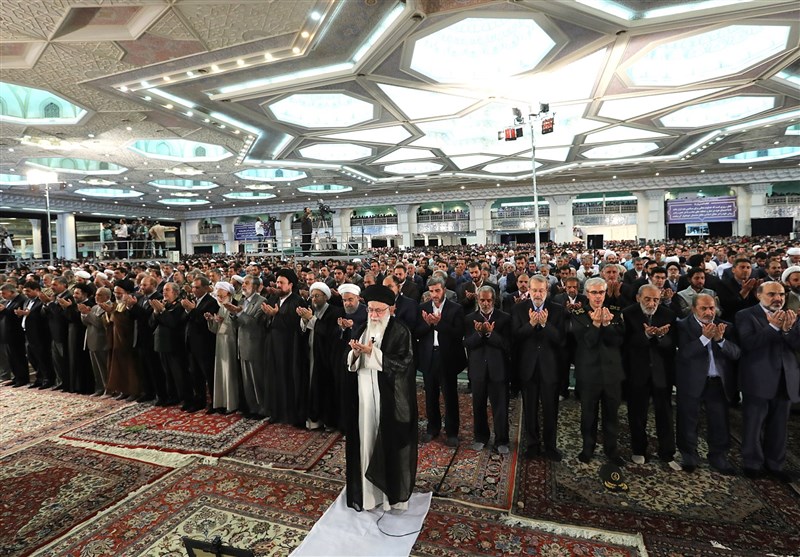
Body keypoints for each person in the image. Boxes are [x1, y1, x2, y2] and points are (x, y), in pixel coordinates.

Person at [344, 284, 417, 512]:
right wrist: (355, 353)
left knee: (387, 443)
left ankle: (390, 498)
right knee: (366, 441)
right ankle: (368, 495)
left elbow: (404, 364)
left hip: (389, 398)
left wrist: (373, 354)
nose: (374, 315)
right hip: (365, 395)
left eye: (379, 311)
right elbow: (351, 363)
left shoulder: (400, 331)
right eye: (371, 310)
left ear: (390, 309)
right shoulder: (363, 328)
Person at [735, 281, 800, 482]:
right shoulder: (745, 315)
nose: (778, 298)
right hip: (758, 378)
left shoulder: (792, 315)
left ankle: (775, 464)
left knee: (780, 425)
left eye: (781, 294)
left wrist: (788, 330)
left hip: (786, 377)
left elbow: (797, 345)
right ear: (759, 295)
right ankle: (752, 463)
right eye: (772, 294)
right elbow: (748, 344)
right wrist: (773, 327)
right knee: (754, 424)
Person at [675, 294, 741, 474]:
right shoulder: (682, 325)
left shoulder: (726, 326)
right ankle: (689, 455)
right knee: (688, 420)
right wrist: (704, 339)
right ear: (694, 308)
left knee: (719, 422)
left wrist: (720, 340)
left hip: (717, 382)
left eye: (711, 308)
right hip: (691, 381)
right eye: (704, 308)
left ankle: (719, 457)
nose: (709, 312)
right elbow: (684, 354)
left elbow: (736, 354)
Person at [622, 284, 679, 468]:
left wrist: (661, 338)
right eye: (647, 299)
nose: (652, 303)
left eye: (656, 299)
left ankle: (667, 453)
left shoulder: (668, 314)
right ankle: (638, 449)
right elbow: (624, 344)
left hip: (661, 372)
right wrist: (645, 336)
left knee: (665, 413)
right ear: (638, 297)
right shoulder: (628, 313)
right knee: (637, 413)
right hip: (637, 371)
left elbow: (673, 344)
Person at [572, 277, 626, 466]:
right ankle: (587, 448)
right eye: (594, 293)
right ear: (587, 294)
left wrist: (608, 325)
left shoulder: (616, 313)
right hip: (589, 373)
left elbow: (618, 341)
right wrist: (595, 325)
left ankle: (611, 450)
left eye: (601, 292)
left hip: (612, 373)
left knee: (612, 415)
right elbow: (585, 342)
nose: (597, 296)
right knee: (588, 414)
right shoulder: (578, 314)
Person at [512, 275, 565, 460]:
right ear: (529, 290)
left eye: (541, 290)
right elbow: (515, 338)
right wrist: (531, 325)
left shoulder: (557, 310)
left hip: (550, 368)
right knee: (530, 409)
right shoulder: (519, 309)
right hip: (528, 368)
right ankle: (532, 445)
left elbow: (561, 339)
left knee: (550, 409)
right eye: (534, 290)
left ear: (547, 291)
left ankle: (550, 446)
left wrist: (544, 324)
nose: (537, 294)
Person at [416, 276, 467, 447]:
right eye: (431, 291)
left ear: (444, 290)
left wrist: (438, 324)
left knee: (450, 396)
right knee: (430, 395)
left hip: (447, 357)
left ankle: (452, 432)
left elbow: (458, 334)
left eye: (437, 290)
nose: (434, 294)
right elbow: (416, 332)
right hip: (428, 357)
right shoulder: (422, 308)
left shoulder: (455, 309)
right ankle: (433, 428)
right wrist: (428, 324)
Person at [464, 285, 511, 453]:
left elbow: (507, 345)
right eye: (482, 300)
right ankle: (481, 437)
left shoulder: (504, 318)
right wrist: (478, 334)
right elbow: (467, 344)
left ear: (494, 300)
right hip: (477, 370)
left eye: (488, 300)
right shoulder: (469, 318)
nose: (485, 303)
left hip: (498, 369)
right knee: (478, 405)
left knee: (500, 407)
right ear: (477, 300)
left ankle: (501, 440)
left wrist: (490, 334)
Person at [262, 268, 309, 426]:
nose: (278, 285)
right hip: (272, 345)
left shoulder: (297, 301)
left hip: (289, 348)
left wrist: (277, 315)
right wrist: (269, 317)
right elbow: (265, 321)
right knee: (273, 378)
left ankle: (291, 415)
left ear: (291, 285)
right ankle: (276, 412)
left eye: (282, 283)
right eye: (277, 282)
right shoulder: (273, 298)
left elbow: (296, 326)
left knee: (288, 380)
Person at [299, 281, 344, 430]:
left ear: (326, 297)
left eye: (317, 296)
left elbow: (329, 332)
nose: (314, 299)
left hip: (326, 357)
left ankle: (328, 421)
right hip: (311, 354)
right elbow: (303, 331)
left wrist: (311, 319)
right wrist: (304, 320)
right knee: (311, 386)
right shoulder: (311, 309)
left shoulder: (336, 312)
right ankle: (313, 418)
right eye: (312, 296)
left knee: (325, 388)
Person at [225, 275, 268, 419]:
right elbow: (238, 325)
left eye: (247, 283)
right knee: (247, 382)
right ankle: (252, 408)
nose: (243, 286)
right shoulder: (242, 301)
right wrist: (232, 314)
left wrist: (238, 312)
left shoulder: (261, 302)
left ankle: (262, 409)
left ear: (255, 287)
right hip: (242, 345)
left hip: (255, 346)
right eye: (243, 283)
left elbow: (253, 324)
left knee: (257, 381)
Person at [181, 276, 219, 412]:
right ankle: (199, 400)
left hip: (205, 344)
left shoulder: (211, 302)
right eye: (193, 287)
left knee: (208, 374)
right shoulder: (194, 301)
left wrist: (192, 310)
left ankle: (215, 402)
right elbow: (185, 319)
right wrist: (188, 310)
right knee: (195, 374)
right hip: (192, 343)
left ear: (205, 288)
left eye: (197, 287)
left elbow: (204, 322)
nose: (194, 290)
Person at [150, 283, 191, 408]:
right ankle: (172, 396)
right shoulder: (164, 305)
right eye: (163, 290)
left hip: (174, 345)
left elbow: (173, 323)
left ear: (175, 293)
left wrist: (162, 311)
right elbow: (151, 324)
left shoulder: (179, 306)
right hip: (161, 344)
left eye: (167, 290)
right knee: (167, 374)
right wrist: (156, 312)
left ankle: (185, 398)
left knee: (179, 374)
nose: (164, 292)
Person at [205, 282, 240, 414]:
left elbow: (236, 326)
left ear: (229, 294)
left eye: (221, 295)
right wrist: (211, 320)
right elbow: (215, 330)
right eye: (218, 296)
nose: (219, 298)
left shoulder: (234, 306)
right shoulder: (220, 307)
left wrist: (224, 321)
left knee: (230, 373)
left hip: (230, 343)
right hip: (220, 344)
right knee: (221, 373)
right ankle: (222, 402)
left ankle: (232, 404)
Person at [104, 279, 140, 401]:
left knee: (130, 367)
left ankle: (133, 391)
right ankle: (123, 390)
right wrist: (109, 313)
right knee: (119, 367)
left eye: (119, 292)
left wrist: (115, 313)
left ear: (127, 292)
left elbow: (128, 321)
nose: (116, 295)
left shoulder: (132, 302)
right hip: (116, 339)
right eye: (115, 292)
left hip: (127, 340)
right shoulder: (117, 304)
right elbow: (111, 322)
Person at [79, 286, 111, 395]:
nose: (96, 297)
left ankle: (109, 389)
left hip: (102, 341)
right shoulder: (94, 307)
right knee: (96, 369)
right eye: (96, 294)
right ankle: (100, 388)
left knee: (104, 368)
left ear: (107, 296)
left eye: (99, 295)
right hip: (92, 340)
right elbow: (86, 322)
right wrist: (83, 313)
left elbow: (100, 324)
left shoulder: (109, 306)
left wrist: (88, 314)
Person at [0, 283, 28, 387]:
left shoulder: (21, 300)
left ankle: (22, 378)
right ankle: (16, 377)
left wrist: (5, 310)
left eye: (4, 293)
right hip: (7, 334)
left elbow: (17, 314)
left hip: (16, 334)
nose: (3, 296)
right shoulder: (8, 301)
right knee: (11, 358)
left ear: (12, 292)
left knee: (18, 357)